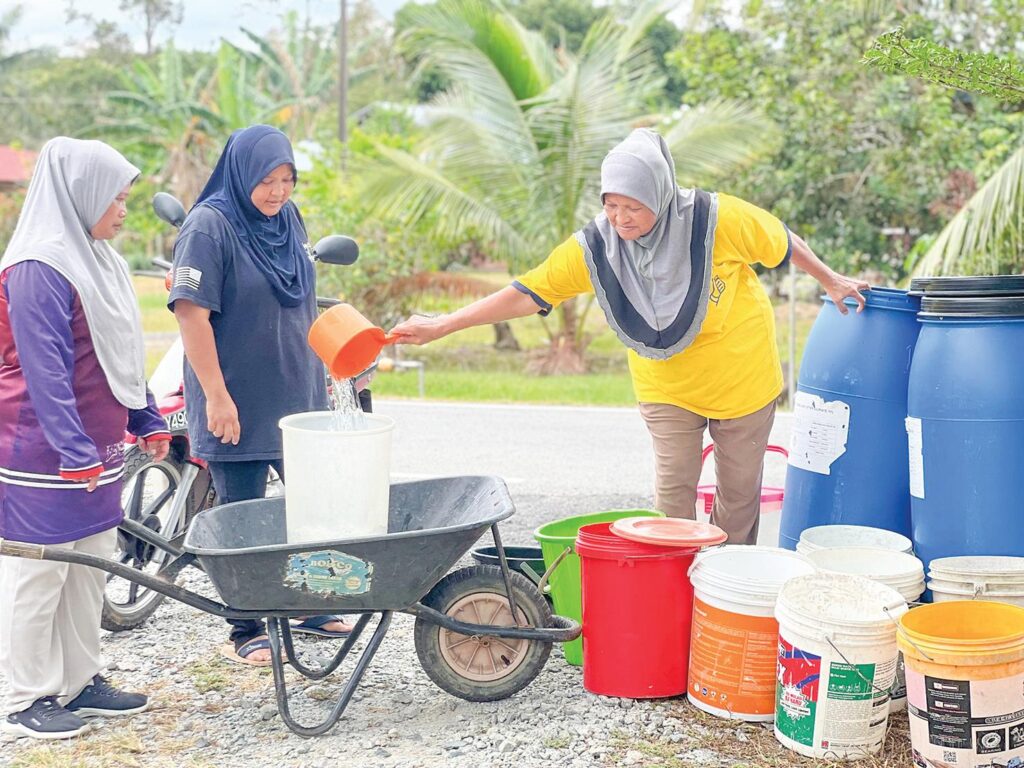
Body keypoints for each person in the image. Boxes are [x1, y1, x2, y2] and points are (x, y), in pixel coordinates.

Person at [392, 128, 868, 545]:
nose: (621, 218)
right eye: (611, 205)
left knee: (739, 499)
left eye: (632, 206)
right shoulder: (597, 246)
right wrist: (443, 324)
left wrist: (831, 280)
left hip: (742, 379)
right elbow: (529, 291)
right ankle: (675, 597)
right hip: (667, 387)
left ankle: (724, 601)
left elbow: (783, 242)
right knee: (672, 501)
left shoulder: (716, 218)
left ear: (659, 194)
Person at [0, 137, 170, 739]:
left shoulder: (103, 260)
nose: (124, 210)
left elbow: (124, 352)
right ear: (80, 196)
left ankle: (79, 681)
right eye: (116, 199)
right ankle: (27, 698)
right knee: (39, 573)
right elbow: (45, 369)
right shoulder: (37, 268)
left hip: (95, 444)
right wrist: (72, 448)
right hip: (44, 447)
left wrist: (144, 415)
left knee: (91, 563)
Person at [167, 125, 352, 666]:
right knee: (244, 515)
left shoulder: (288, 219)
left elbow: (298, 298)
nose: (277, 191)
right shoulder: (209, 226)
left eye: (287, 179)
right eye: (266, 181)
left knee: (314, 505)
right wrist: (217, 397)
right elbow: (191, 316)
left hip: (296, 391)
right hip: (236, 399)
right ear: (241, 174)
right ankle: (245, 627)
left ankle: (309, 604)